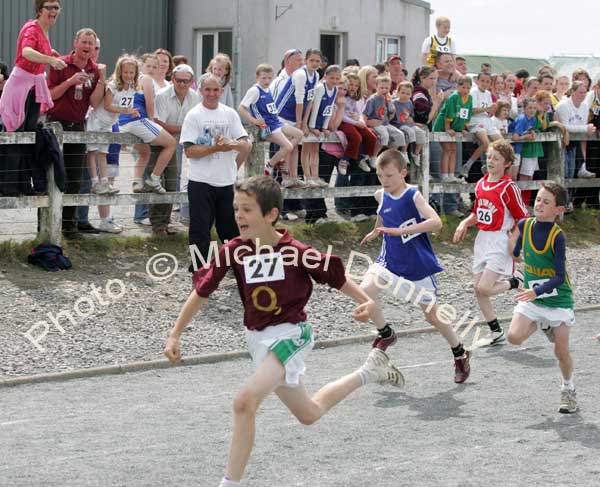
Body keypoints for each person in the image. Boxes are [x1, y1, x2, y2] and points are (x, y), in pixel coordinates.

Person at [164, 176, 404, 487]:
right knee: (309, 413)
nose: (238, 215)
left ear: (271, 214)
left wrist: (367, 301)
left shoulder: (295, 251)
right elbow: (201, 291)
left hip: (292, 334)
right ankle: (370, 371)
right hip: (258, 340)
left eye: (247, 209)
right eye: (236, 208)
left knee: (244, 401)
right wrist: (174, 334)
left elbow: (336, 278)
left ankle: (229, 484)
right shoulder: (233, 250)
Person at [359, 149, 471, 383]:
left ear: (403, 172)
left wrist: (402, 231)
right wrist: (374, 230)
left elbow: (436, 222)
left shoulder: (413, 195)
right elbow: (382, 214)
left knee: (432, 317)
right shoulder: (381, 194)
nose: (385, 181)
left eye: (389, 175)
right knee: (365, 291)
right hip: (389, 262)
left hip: (417, 265)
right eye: (380, 175)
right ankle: (386, 333)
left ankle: (459, 351)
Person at [506, 182, 577, 413]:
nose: (539, 204)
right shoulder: (525, 225)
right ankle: (539, 323)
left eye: (546, 202)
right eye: (538, 199)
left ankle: (568, 390)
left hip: (557, 299)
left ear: (559, 210)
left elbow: (558, 277)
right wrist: (513, 253)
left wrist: (535, 291)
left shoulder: (558, 236)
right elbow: (515, 251)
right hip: (533, 297)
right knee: (514, 338)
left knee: (561, 352)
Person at [453, 139, 529, 345]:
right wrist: (464, 224)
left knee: (485, 288)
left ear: (506, 163)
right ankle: (495, 331)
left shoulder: (508, 187)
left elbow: (523, 218)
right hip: (482, 240)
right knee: (478, 289)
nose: (491, 161)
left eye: (496, 158)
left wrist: (513, 242)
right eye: (489, 157)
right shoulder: (481, 184)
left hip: (499, 240)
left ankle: (515, 281)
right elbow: (478, 213)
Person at [181, 74, 252, 270]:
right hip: (200, 181)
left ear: (221, 91)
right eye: (207, 90)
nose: (212, 94)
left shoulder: (230, 114)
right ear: (201, 91)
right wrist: (215, 148)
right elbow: (189, 151)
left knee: (230, 227)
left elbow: (246, 144)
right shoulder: (193, 115)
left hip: (225, 181)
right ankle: (199, 267)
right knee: (200, 228)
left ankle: (239, 266)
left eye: (215, 90)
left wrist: (232, 144)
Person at [0, 0, 66, 196]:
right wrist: (50, 60)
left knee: (29, 137)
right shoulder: (32, 27)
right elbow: (27, 52)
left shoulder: (44, 30)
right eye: (50, 7)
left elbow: (35, 52)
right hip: (21, 86)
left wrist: (49, 53)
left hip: (33, 85)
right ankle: (9, 186)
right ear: (40, 10)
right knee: (16, 136)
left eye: (56, 7)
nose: (54, 11)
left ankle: (23, 185)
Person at [46, 27, 105, 237]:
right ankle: (45, 227)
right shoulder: (60, 63)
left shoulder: (94, 69)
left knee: (75, 178)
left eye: (91, 43)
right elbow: (50, 95)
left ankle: (69, 226)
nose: (87, 47)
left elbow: (94, 102)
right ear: (75, 43)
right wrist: (70, 82)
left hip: (78, 126)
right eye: (84, 42)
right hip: (56, 124)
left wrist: (101, 78)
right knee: (51, 176)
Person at [79, 39, 127, 234]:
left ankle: (105, 219)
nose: (93, 50)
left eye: (97, 47)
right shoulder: (85, 70)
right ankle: (79, 220)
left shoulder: (105, 73)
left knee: (107, 174)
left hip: (107, 126)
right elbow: (93, 101)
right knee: (84, 176)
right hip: (86, 125)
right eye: (89, 46)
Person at [150, 63, 200, 236]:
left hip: (184, 141)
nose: (182, 84)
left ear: (192, 81)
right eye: (179, 80)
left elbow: (197, 122)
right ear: (172, 79)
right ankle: (158, 224)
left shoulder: (195, 97)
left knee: (174, 180)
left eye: (186, 81)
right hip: (163, 142)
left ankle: (166, 222)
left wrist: (184, 130)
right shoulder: (162, 96)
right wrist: (184, 128)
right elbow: (159, 123)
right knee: (163, 181)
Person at [118, 53, 177, 194]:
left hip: (123, 121)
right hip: (138, 120)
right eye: (148, 66)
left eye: (154, 67)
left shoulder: (129, 79)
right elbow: (150, 104)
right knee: (171, 143)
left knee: (145, 152)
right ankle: (154, 179)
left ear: (158, 69)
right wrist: (151, 122)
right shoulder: (146, 80)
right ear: (141, 66)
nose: (151, 69)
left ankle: (137, 182)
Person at [238, 63, 303, 176]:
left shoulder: (268, 89)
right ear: (257, 77)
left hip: (276, 122)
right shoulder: (255, 90)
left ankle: (279, 157)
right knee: (288, 146)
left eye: (269, 78)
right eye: (264, 78)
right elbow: (241, 108)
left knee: (299, 134)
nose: (267, 81)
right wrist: (254, 120)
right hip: (266, 127)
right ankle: (270, 164)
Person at [556, 80, 597, 209]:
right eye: (580, 92)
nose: (583, 95)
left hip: (574, 144)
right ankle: (561, 202)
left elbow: (578, 126)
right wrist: (585, 129)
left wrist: (583, 128)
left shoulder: (584, 106)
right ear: (573, 92)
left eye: (584, 92)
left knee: (571, 172)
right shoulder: (563, 105)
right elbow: (565, 126)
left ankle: (568, 202)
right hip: (562, 143)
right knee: (564, 173)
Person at [432, 75, 473, 183]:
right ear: (458, 86)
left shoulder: (470, 98)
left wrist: (464, 128)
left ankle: (452, 175)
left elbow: (466, 114)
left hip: (456, 127)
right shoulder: (453, 97)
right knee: (447, 149)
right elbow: (448, 113)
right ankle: (445, 175)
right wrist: (447, 128)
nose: (466, 90)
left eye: (468, 88)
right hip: (443, 126)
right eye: (463, 87)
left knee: (453, 150)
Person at [305, 64, 341, 187]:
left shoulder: (335, 89)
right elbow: (314, 108)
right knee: (307, 149)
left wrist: (324, 127)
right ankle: (308, 177)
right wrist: (312, 126)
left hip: (319, 122)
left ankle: (315, 177)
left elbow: (329, 109)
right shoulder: (320, 88)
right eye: (332, 78)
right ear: (325, 76)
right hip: (311, 121)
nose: (335, 81)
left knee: (315, 150)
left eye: (337, 79)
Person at [460, 72, 500, 179]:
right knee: (486, 143)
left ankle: (488, 165)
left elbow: (488, 112)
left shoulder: (488, 94)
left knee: (501, 144)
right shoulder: (473, 92)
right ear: (477, 81)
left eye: (487, 81)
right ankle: (467, 165)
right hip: (475, 121)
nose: (485, 83)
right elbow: (471, 110)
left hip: (486, 121)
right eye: (482, 81)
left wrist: (493, 109)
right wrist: (487, 109)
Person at [337, 72, 377, 174]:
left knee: (371, 137)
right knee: (356, 137)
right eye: (351, 84)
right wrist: (356, 123)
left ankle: (364, 157)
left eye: (356, 85)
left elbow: (358, 112)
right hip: (343, 122)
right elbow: (342, 116)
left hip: (354, 121)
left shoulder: (353, 98)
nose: (353, 87)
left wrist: (360, 121)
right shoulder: (340, 97)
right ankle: (345, 160)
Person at [363, 75, 406, 153]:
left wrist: (392, 110)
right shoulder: (372, 100)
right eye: (381, 88)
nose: (384, 90)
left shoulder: (388, 99)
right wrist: (366, 125)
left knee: (399, 135)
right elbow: (365, 114)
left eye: (386, 88)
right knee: (384, 135)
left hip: (385, 123)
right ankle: (373, 156)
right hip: (376, 124)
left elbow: (389, 117)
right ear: (376, 87)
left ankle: (390, 155)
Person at [391, 81, 426, 167]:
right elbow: (392, 117)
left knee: (421, 133)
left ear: (411, 95)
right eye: (402, 93)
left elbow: (411, 116)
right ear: (398, 92)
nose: (405, 95)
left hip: (408, 123)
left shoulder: (409, 103)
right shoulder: (394, 103)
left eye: (407, 93)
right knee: (408, 132)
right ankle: (404, 152)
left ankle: (416, 154)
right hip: (398, 124)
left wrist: (413, 122)